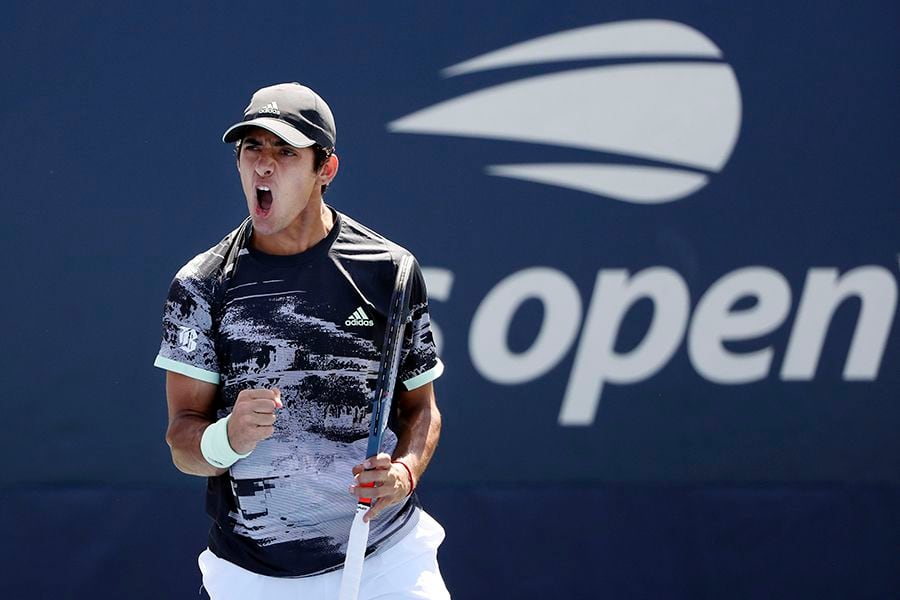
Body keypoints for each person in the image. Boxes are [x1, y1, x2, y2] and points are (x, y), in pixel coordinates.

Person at [154, 82, 449, 599]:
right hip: (252, 574)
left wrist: (404, 471)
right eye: (252, 149)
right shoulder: (201, 284)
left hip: (385, 557)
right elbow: (183, 440)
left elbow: (420, 410)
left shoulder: (392, 273)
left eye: (285, 152)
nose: (263, 166)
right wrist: (230, 437)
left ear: (325, 170)